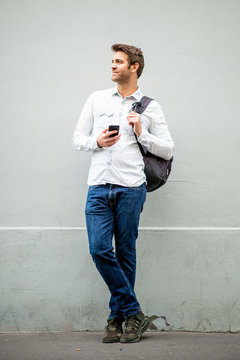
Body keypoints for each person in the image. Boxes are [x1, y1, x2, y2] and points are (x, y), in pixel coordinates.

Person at [72, 44, 174, 343]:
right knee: (100, 249)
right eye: (112, 61)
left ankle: (118, 320)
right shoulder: (96, 99)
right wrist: (97, 142)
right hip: (98, 187)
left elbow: (168, 148)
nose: (112, 66)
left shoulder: (149, 106)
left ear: (134, 67)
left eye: (119, 62)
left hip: (130, 187)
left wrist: (142, 132)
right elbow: (78, 138)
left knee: (126, 252)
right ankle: (133, 311)